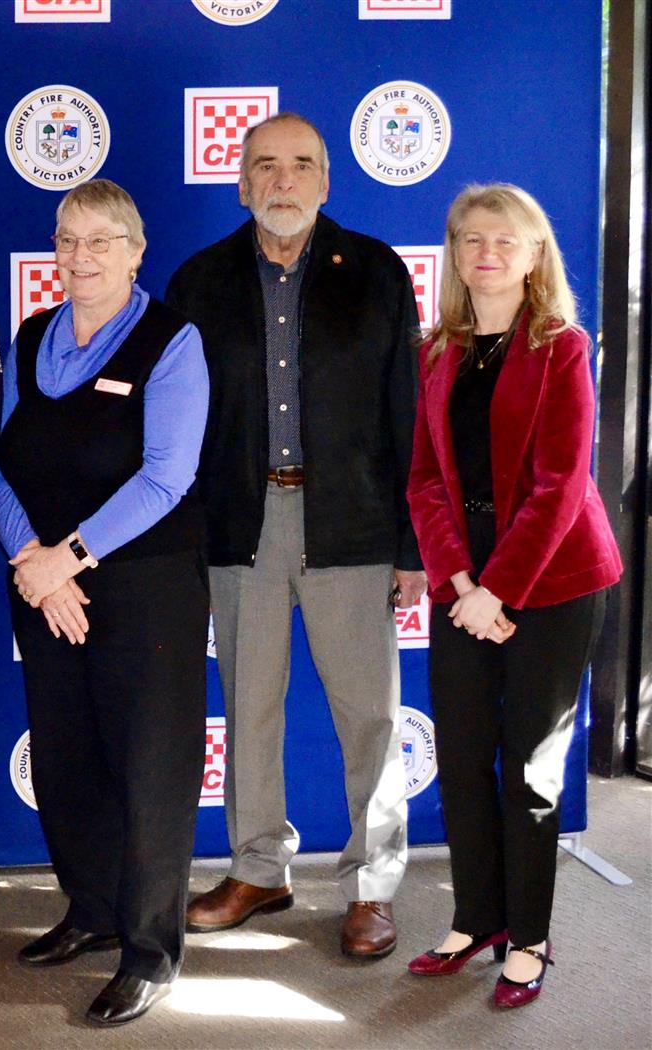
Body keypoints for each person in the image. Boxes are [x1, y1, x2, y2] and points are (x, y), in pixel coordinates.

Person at [166, 112, 425, 957]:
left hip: (351, 523)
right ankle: (258, 869)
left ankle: (373, 885)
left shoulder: (379, 272)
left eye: (302, 165)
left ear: (325, 181)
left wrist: (414, 546)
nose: (284, 180)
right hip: (240, 524)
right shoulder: (199, 280)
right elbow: (175, 423)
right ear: (241, 183)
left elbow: (408, 416)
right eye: (266, 166)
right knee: (250, 707)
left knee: (369, 716)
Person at [0, 180, 209, 1026]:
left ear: (135, 250)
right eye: (68, 240)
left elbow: (166, 476)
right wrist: (32, 563)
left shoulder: (171, 340)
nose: (80, 257)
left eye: (101, 241)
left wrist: (69, 556)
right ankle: (90, 910)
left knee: (150, 769)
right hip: (45, 587)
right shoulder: (34, 334)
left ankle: (151, 950)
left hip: (146, 589)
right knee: (68, 757)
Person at [404, 184, 621, 1007]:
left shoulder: (563, 345)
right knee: (461, 760)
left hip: (553, 583)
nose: (485, 253)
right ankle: (476, 920)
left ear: (535, 256)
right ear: (455, 255)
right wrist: (462, 583)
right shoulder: (437, 350)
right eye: (469, 240)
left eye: (505, 240)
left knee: (529, 772)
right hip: (464, 587)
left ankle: (529, 940)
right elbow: (425, 481)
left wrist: (500, 591)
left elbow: (562, 483)